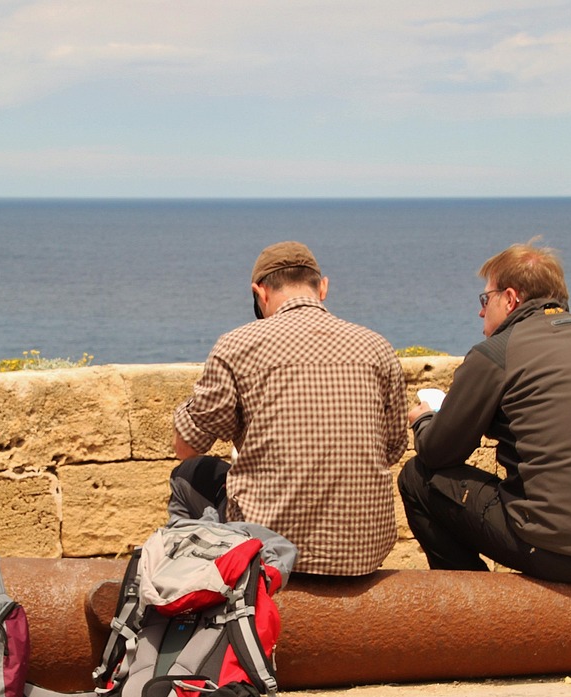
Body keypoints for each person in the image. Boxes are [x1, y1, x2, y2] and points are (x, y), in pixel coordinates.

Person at [397, 239, 571, 583]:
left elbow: (438, 452)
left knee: (417, 478)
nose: (481, 311)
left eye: (486, 299)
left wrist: (424, 421)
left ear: (510, 299)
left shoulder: (496, 353)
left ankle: (474, 612)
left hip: (559, 551)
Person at [170, 241, 409, 576]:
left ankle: (190, 588)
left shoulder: (236, 346)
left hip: (269, 549)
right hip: (363, 553)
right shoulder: (377, 347)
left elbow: (187, 448)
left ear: (260, 293)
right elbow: (394, 447)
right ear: (322, 287)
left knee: (188, 476)